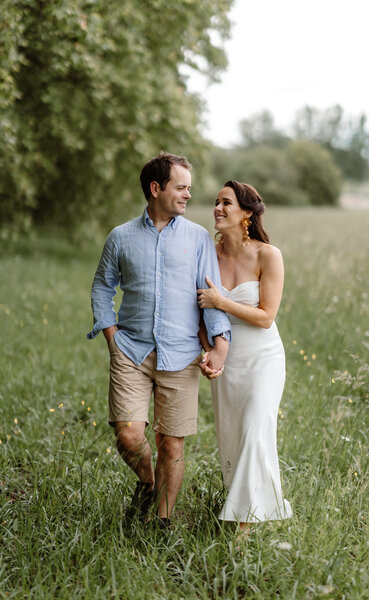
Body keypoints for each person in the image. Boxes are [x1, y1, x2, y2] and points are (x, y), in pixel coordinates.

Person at [87, 152, 230, 529]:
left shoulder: (199, 239)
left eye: (188, 188)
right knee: (129, 434)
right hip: (131, 350)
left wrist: (218, 343)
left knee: (171, 442)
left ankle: (162, 523)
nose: (187, 195)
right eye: (180, 187)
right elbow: (103, 287)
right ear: (156, 188)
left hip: (182, 354)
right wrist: (111, 334)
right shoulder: (120, 237)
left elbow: (210, 295)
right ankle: (148, 483)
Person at [197, 180, 292, 533]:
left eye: (227, 203)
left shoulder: (269, 255)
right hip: (227, 360)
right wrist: (208, 351)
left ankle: (243, 530)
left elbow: (266, 317)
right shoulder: (208, 253)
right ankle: (253, 503)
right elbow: (199, 312)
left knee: (254, 427)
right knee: (233, 436)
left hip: (263, 358)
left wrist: (222, 301)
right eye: (216, 202)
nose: (217, 208)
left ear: (247, 213)